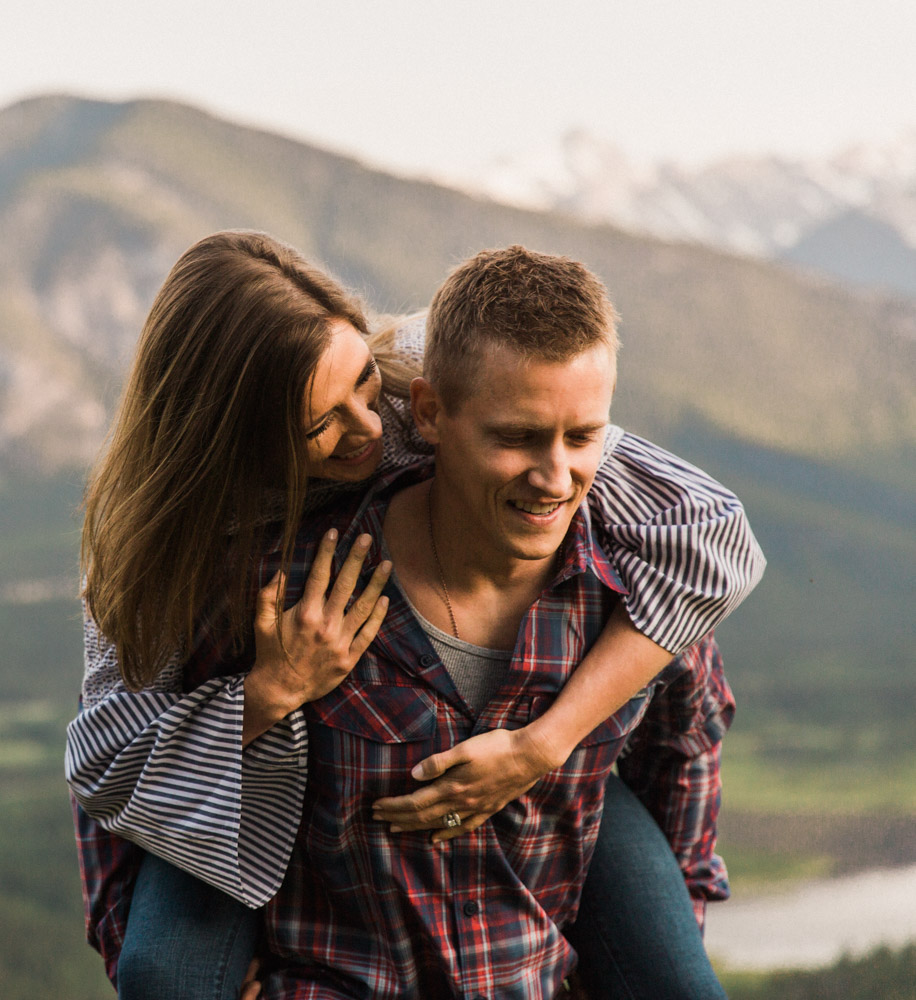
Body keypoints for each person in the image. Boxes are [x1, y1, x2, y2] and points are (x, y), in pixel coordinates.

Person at [65, 233, 761, 997]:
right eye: (320, 423)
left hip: (555, 804)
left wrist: (545, 744)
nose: (368, 428)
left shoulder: (449, 391)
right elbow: (110, 774)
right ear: (239, 439)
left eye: (365, 384)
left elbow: (710, 533)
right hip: (230, 785)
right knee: (166, 975)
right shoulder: (192, 556)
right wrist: (273, 689)